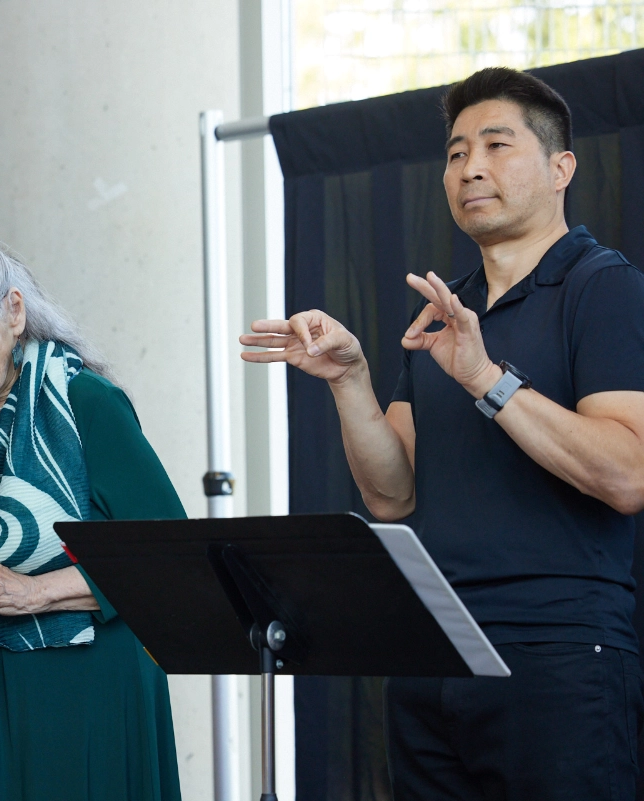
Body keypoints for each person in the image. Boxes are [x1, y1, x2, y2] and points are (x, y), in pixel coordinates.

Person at [241, 67, 644, 799]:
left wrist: (490, 378)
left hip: (561, 659)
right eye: (457, 153)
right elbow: (392, 495)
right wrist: (351, 378)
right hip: (435, 652)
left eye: (496, 145)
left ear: (562, 169)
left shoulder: (602, 284)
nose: (471, 167)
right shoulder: (444, 311)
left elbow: (627, 475)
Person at [0, 226, 183, 801]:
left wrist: (32, 591)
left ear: (14, 312)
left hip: (92, 682)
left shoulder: (85, 402)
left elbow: (169, 558)